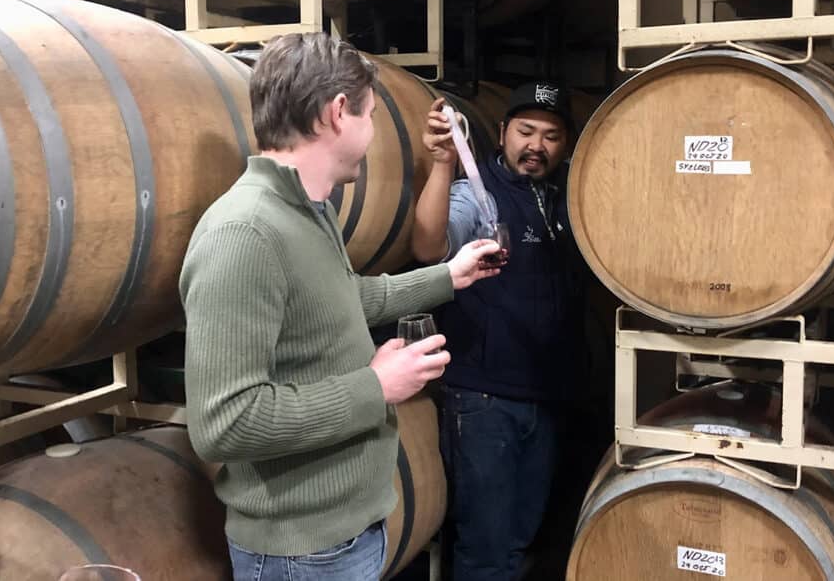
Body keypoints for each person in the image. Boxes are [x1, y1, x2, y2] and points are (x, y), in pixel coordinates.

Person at [179, 32, 501, 581]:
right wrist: (376, 386)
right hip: (300, 552)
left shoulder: (310, 211)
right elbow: (223, 423)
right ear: (336, 114)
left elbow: (345, 298)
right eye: (370, 115)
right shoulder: (245, 233)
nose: (376, 133)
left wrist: (448, 276)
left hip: (344, 535)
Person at [411, 82, 583, 580]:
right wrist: (443, 165)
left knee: (521, 539)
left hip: (548, 395)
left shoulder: (569, 193)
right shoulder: (477, 192)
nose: (536, 145)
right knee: (485, 547)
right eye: (526, 131)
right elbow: (429, 246)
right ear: (503, 131)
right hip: (486, 398)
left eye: (551, 135)